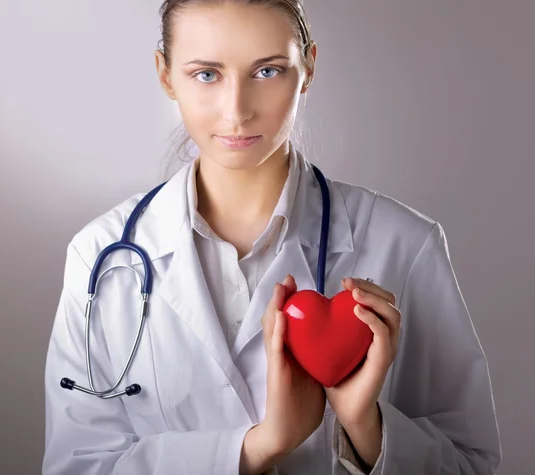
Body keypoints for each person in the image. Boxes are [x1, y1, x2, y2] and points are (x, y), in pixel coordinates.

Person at [42, 1, 502, 474]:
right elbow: (76, 466)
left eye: (267, 71)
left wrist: (366, 426)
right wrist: (259, 447)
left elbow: (472, 465)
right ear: (165, 76)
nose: (237, 110)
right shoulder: (99, 254)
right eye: (206, 74)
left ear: (308, 68)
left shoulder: (404, 243)